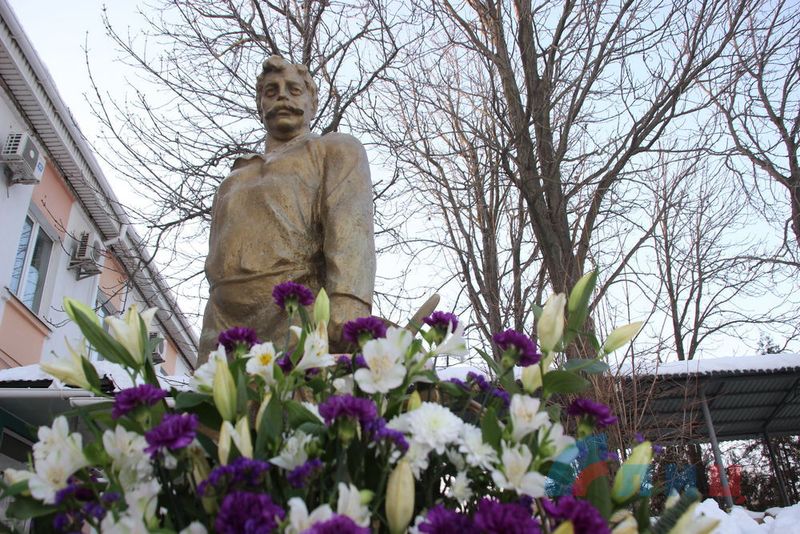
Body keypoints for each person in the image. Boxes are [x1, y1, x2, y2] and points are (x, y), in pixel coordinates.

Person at [198, 55, 376, 362]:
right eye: (271, 91)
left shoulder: (334, 149)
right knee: (216, 393)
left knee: (296, 391)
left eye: (294, 90)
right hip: (222, 320)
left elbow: (351, 231)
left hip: (295, 308)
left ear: (312, 104)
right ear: (260, 106)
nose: (282, 96)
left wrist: (348, 302)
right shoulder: (234, 177)